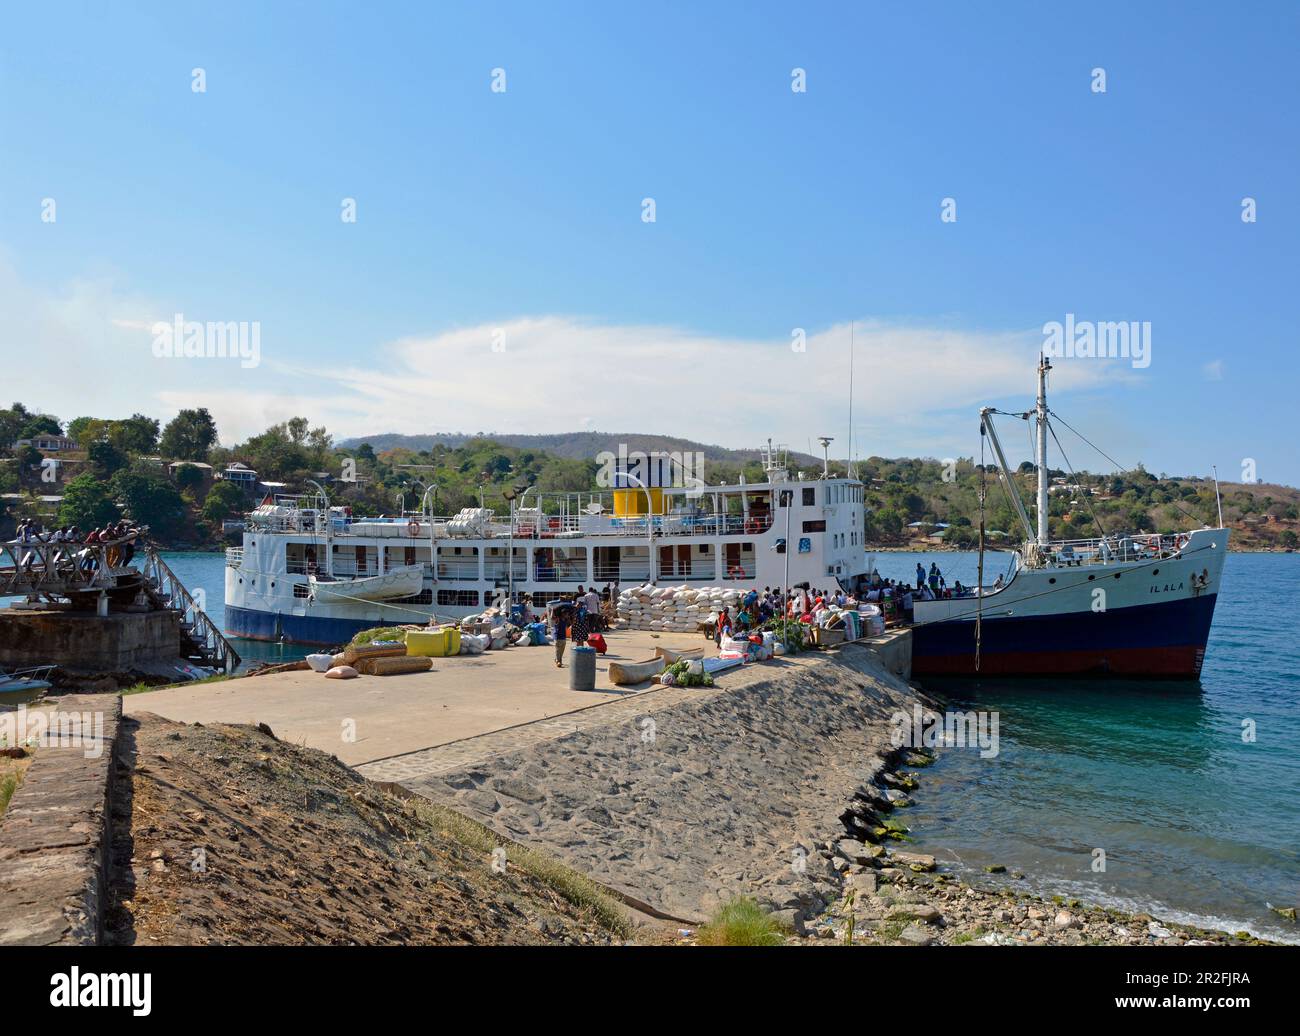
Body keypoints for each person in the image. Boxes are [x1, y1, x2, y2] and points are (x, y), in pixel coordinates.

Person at [551, 599, 573, 668]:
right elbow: (552, 618)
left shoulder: (566, 621)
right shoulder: (558, 619)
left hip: (563, 637)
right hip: (557, 637)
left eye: (567, 614)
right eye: (566, 614)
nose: (567, 615)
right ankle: (558, 661)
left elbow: (570, 625)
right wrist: (552, 610)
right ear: (563, 614)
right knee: (558, 650)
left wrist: (570, 618)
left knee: (561, 650)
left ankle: (558, 660)